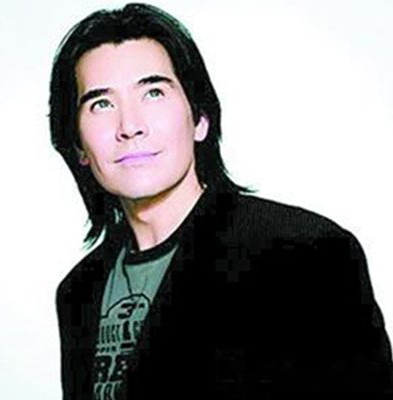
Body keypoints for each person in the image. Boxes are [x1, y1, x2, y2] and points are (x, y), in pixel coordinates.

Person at [50, 3, 393, 399]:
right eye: (101, 104)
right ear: (78, 145)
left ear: (200, 119)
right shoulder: (79, 291)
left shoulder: (304, 253)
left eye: (153, 93)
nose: (130, 126)